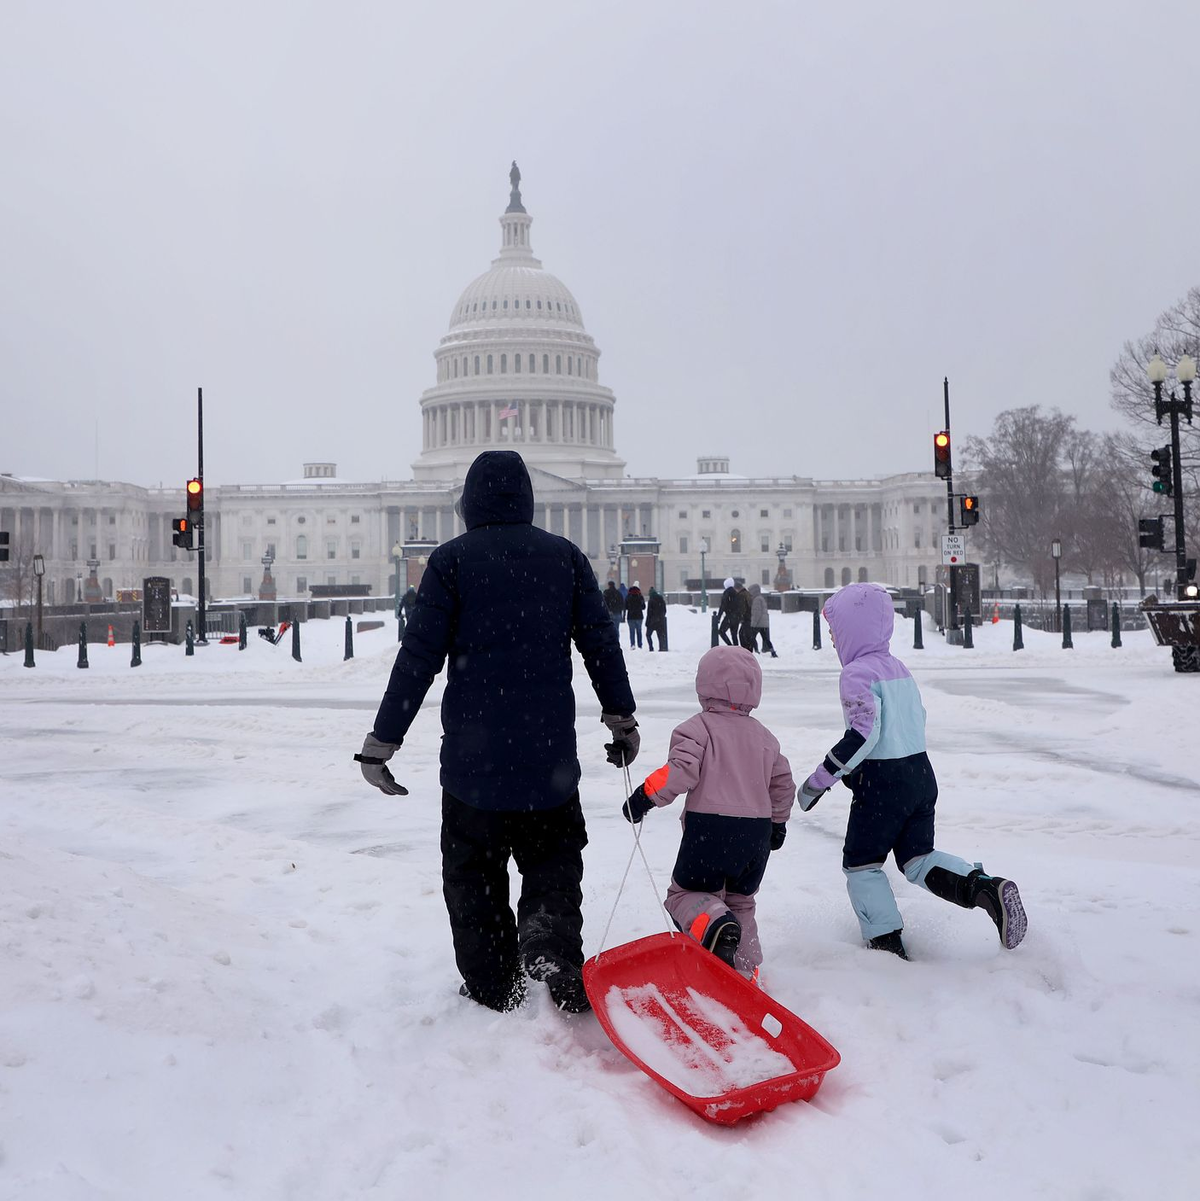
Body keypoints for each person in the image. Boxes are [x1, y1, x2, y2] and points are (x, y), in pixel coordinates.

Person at [356, 451, 639, 1013]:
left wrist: (381, 744)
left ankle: (492, 983)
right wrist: (621, 718)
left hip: (472, 764)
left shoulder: (451, 563)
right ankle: (549, 938)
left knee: (474, 876)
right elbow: (600, 645)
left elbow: (417, 659)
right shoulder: (566, 558)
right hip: (548, 758)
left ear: (468, 503)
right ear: (528, 499)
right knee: (554, 861)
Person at [797, 583, 1027, 959]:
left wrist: (820, 780)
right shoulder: (898, 668)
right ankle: (985, 889)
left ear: (853, 631)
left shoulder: (856, 673)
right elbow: (916, 718)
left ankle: (886, 945)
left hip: (882, 784)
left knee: (862, 865)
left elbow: (864, 733)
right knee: (918, 858)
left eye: (835, 633)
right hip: (921, 775)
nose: (834, 642)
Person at [622, 645, 795, 982]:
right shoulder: (765, 738)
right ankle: (743, 973)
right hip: (755, 835)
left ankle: (715, 924)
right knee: (741, 902)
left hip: (710, 830)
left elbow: (681, 770)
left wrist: (645, 796)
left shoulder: (697, 728)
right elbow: (783, 782)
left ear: (704, 686)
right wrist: (778, 823)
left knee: (685, 896)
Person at [748, 583, 777, 657]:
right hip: (763, 623)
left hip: (758, 623)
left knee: (751, 637)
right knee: (766, 639)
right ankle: (772, 651)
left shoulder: (756, 599)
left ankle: (755, 651)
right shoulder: (761, 598)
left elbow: (757, 613)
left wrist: (753, 623)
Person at [717, 578, 740, 646]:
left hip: (729, 616)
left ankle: (730, 646)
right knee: (734, 634)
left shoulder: (727, 592)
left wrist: (718, 617)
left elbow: (723, 605)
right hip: (737, 617)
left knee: (721, 631)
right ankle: (736, 649)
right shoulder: (736, 593)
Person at [645, 586, 668, 651]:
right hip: (660, 621)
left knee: (648, 635)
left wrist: (647, 622)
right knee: (660, 635)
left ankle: (651, 648)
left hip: (652, 621)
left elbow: (649, 613)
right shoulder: (661, 599)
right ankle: (661, 648)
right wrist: (661, 616)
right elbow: (664, 610)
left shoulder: (651, 600)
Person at [624, 581, 645, 649]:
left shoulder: (628, 596)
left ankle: (632, 644)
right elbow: (643, 607)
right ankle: (640, 644)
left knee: (632, 631)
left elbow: (626, 606)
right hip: (639, 616)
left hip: (631, 616)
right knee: (639, 631)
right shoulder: (640, 596)